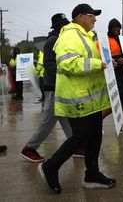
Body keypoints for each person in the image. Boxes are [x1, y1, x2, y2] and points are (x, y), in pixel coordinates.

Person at [38, 4, 115, 194]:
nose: (94, 20)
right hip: (78, 98)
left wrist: (109, 62)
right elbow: (67, 63)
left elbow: (95, 62)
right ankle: (50, 167)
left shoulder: (87, 36)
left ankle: (92, 175)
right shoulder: (70, 34)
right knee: (80, 137)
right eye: (91, 16)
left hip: (91, 99)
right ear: (80, 17)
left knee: (95, 135)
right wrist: (100, 63)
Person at [21, 13, 85, 163]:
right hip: (54, 87)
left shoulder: (60, 39)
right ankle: (29, 148)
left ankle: (75, 145)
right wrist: (67, 74)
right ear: (58, 26)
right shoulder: (52, 41)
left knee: (65, 117)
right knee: (48, 121)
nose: (67, 26)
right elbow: (50, 66)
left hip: (60, 86)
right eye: (64, 24)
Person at [105, 18, 123, 134]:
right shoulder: (105, 40)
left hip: (122, 74)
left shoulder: (122, 40)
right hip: (112, 75)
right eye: (114, 28)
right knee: (112, 103)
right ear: (110, 28)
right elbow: (103, 58)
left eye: (118, 28)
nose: (116, 30)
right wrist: (118, 60)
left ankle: (121, 126)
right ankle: (98, 124)